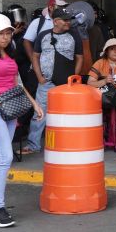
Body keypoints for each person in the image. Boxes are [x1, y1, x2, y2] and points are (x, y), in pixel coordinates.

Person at [0, 14, 43, 228]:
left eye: (8, 32)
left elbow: (16, 82)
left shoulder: (9, 51)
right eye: (0, 33)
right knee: (5, 157)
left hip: (11, 108)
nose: (5, 36)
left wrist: (34, 103)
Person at [24, 8, 84, 154]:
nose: (68, 22)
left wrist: (74, 78)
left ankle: (68, 143)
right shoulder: (43, 35)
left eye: (69, 19)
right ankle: (33, 144)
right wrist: (39, 77)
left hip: (67, 84)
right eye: (65, 20)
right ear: (56, 21)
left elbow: (80, 58)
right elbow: (35, 56)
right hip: (46, 82)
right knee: (40, 113)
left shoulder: (74, 35)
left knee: (68, 114)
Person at [22, 0, 68, 67]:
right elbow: (26, 42)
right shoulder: (38, 22)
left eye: (64, 7)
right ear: (51, 7)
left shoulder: (67, 23)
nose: (62, 9)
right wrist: (34, 62)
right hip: (42, 67)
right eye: (59, 7)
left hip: (61, 66)